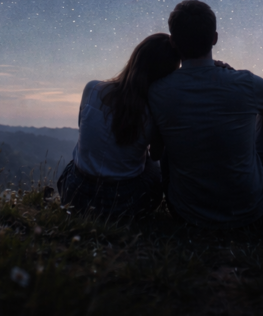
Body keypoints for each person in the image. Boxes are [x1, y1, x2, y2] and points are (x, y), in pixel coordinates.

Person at [147, 0, 263, 227]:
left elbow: (156, 151)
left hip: (186, 214)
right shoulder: (246, 83)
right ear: (215, 39)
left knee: (171, 133)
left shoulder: (158, 91)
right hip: (252, 213)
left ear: (172, 41)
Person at [57, 33, 180, 218]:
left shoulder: (91, 89)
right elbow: (156, 154)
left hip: (74, 195)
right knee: (153, 165)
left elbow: (83, 131)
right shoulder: (154, 112)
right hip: (123, 205)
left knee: (77, 159)